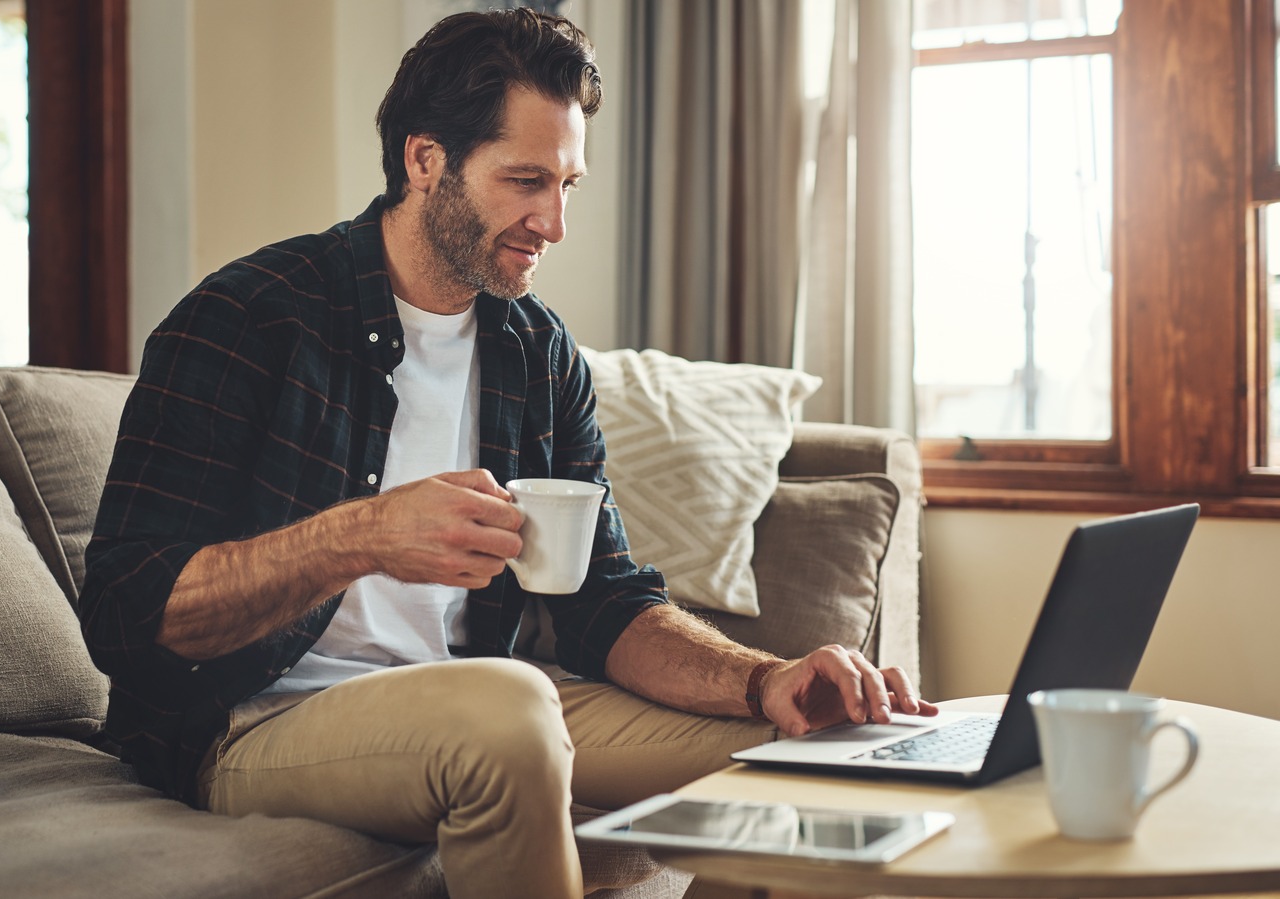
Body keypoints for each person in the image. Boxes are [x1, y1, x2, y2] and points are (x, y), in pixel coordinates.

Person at [79, 9, 935, 898]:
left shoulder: (535, 350)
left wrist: (769, 680)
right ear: (424, 160)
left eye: (568, 184)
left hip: (484, 697)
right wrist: (364, 535)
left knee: (806, 757)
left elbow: (608, 602)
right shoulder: (247, 318)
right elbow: (126, 614)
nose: (553, 222)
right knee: (509, 704)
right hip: (254, 721)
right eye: (525, 179)